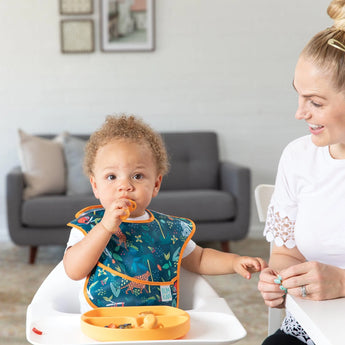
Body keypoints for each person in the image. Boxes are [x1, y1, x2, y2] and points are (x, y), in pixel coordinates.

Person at [63, 114, 266, 313]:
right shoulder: (89, 225)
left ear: (156, 184)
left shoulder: (166, 228)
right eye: (111, 176)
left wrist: (234, 262)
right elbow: (74, 270)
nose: (124, 186)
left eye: (137, 176)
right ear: (95, 186)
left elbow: (200, 259)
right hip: (103, 325)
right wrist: (105, 227)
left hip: (158, 325)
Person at [258, 1, 345, 344]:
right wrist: (278, 278)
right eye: (298, 96)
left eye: (315, 102)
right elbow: (286, 254)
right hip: (312, 331)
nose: (299, 113)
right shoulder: (297, 158)